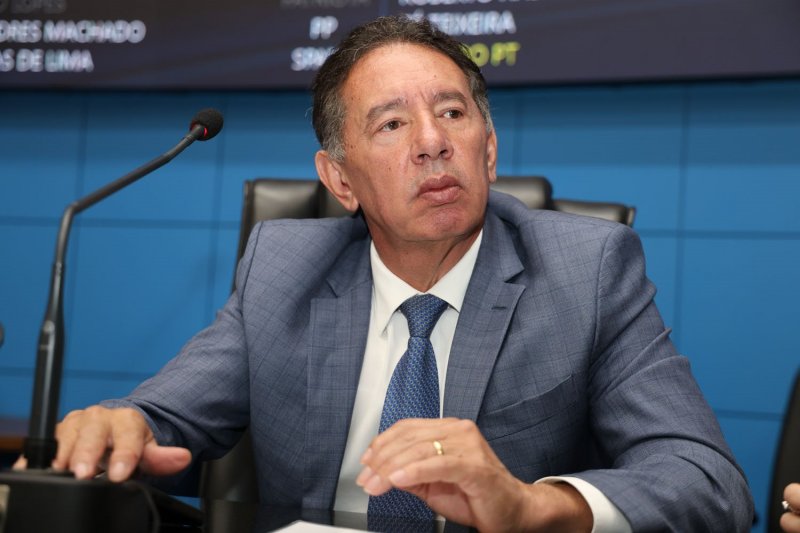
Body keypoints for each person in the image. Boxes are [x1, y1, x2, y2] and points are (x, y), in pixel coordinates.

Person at [33, 15, 753, 531]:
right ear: (340, 180)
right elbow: (169, 418)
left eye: (452, 113)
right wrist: (124, 424)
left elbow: (709, 481)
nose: (433, 142)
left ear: (489, 150)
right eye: (391, 124)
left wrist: (537, 506)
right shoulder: (283, 269)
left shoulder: (587, 270)